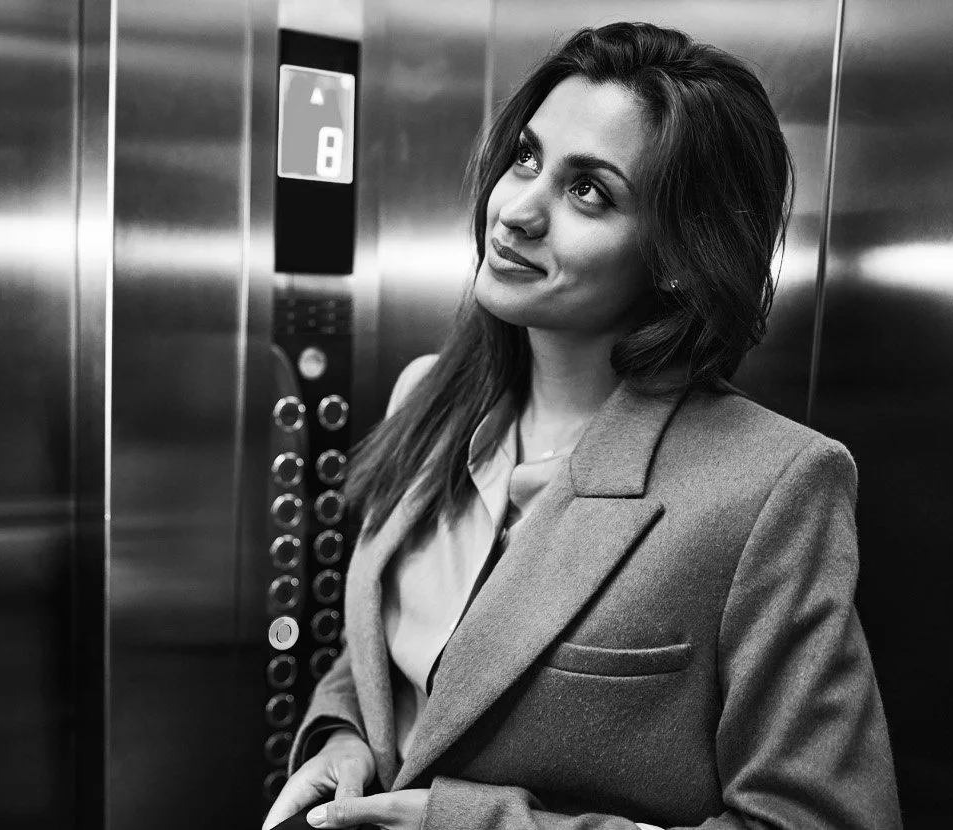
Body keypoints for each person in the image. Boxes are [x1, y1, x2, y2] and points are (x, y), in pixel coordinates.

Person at [262, 22, 901, 830]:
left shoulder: (771, 485)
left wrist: (471, 824)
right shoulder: (427, 396)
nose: (517, 210)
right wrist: (342, 740)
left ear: (676, 251)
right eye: (525, 158)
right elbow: (385, 663)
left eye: (587, 191)